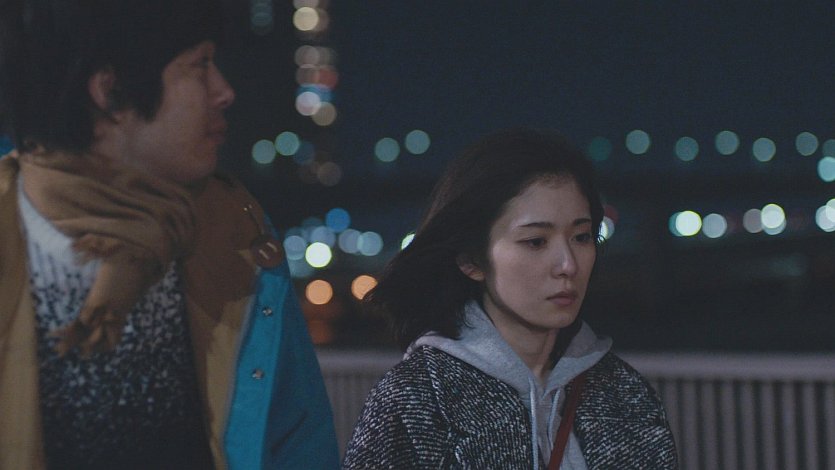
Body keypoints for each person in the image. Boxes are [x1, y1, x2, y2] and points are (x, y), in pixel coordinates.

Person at [0, 1, 339, 468]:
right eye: (200, 65)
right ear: (111, 92)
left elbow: (298, 444)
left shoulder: (238, 235)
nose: (224, 91)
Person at [343, 129, 678, 469]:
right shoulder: (417, 399)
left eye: (581, 236)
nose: (568, 265)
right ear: (471, 260)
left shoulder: (624, 393)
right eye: (536, 241)